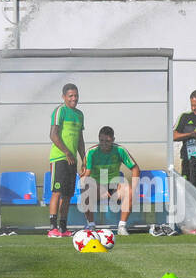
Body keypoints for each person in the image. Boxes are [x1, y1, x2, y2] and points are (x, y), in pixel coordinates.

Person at [82, 126, 140, 234]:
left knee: (130, 191)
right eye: (102, 140)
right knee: (85, 190)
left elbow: (135, 169)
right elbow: (85, 177)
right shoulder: (91, 152)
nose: (104, 144)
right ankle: (91, 225)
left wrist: (134, 188)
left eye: (107, 141)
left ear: (113, 140)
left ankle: (122, 227)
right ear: (98, 138)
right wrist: (99, 186)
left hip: (114, 187)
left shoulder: (120, 150)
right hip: (96, 187)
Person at [47, 83, 86, 238]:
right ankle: (52, 228)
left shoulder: (79, 114)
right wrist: (67, 152)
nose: (74, 98)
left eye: (76, 95)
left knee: (68, 195)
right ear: (63, 97)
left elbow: (80, 139)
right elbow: (53, 134)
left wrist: (83, 159)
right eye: (70, 96)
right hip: (59, 158)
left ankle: (63, 228)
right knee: (57, 192)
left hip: (72, 160)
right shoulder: (59, 111)